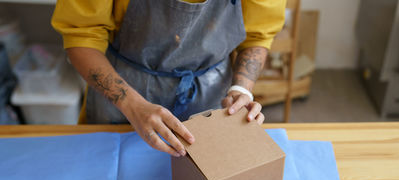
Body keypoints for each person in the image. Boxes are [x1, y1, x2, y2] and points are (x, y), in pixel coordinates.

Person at [51, 0, 285, 157]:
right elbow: (82, 37)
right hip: (123, 96)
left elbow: (257, 33)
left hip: (211, 91)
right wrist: (132, 105)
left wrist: (241, 89)